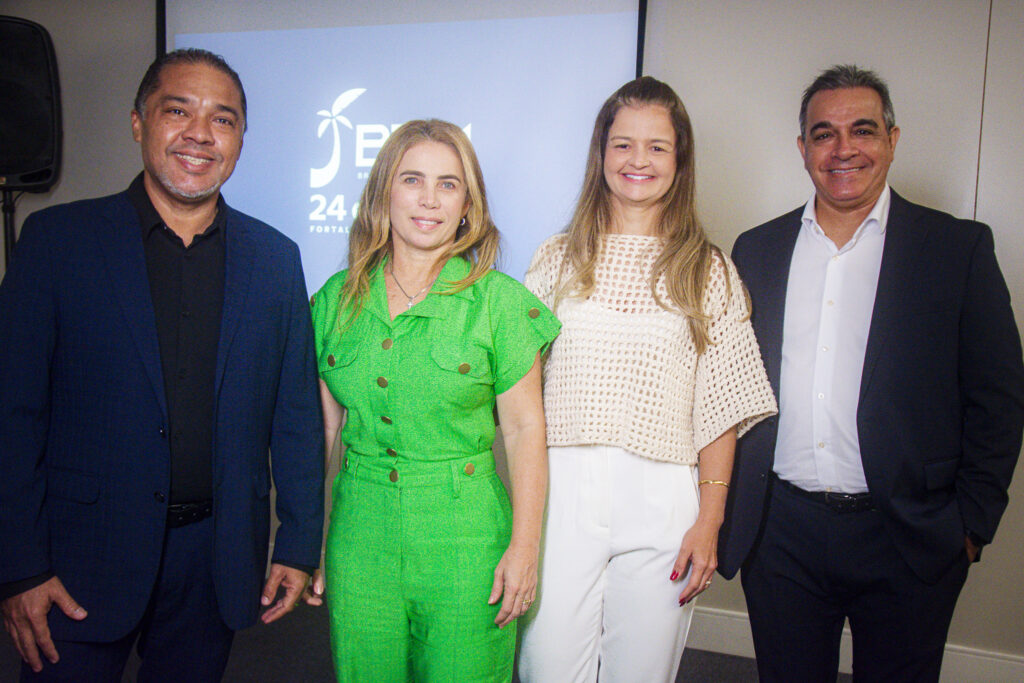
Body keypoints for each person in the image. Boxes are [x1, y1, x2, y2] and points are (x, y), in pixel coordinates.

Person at [0, 48, 324, 682]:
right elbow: (13, 411)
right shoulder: (56, 242)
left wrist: (296, 543)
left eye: (223, 119)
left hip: (217, 560)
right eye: (178, 110)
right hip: (75, 560)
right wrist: (20, 566)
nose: (200, 134)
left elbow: (295, 418)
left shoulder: (275, 259)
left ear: (240, 140)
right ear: (138, 122)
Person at [718, 64, 1024, 681]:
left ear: (891, 138)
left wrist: (970, 525)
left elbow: (999, 398)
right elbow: (728, 386)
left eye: (862, 130)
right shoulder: (757, 249)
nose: (843, 149)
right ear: (803, 148)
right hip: (782, 534)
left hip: (909, 534)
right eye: (823, 133)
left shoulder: (956, 249)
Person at [518, 76, 776, 683]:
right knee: (547, 668)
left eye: (657, 147)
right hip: (562, 490)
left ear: (679, 161)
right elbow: (520, 394)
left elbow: (724, 406)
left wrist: (709, 522)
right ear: (601, 154)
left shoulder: (708, 270)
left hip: (664, 496)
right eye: (623, 144)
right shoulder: (555, 259)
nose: (639, 160)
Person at [304, 119, 558, 682]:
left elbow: (523, 432)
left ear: (469, 203)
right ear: (383, 193)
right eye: (412, 179)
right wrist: (314, 543)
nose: (428, 199)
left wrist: (525, 550)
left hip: (466, 539)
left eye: (448, 184)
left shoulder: (500, 304)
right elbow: (326, 438)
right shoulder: (332, 303)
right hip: (359, 535)